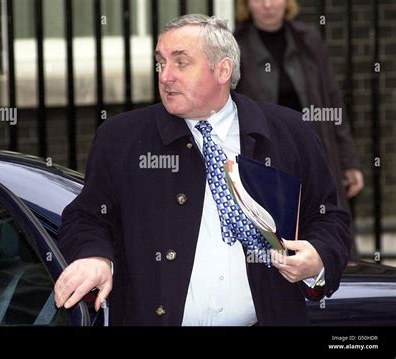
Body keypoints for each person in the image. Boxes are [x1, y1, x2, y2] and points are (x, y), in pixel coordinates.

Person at [54, 14, 351, 326]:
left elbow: (328, 218)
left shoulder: (289, 133)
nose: (165, 76)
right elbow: (87, 217)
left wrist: (317, 257)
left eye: (181, 63)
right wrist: (95, 256)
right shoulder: (121, 138)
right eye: (160, 63)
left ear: (222, 70)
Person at [234, 0, 363, 259]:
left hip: (315, 149)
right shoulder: (236, 44)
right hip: (266, 156)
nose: (268, 5)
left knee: (328, 225)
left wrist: (349, 160)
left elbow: (332, 98)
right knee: (275, 235)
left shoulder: (309, 39)